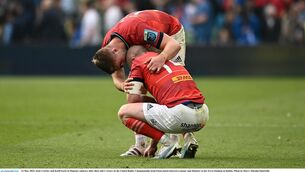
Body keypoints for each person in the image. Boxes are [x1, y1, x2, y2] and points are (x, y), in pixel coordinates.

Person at [92, 45, 209, 159]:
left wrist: (147, 97)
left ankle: (168, 143)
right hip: (203, 115)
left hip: (180, 115)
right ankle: (189, 140)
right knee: (170, 104)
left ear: (132, 59)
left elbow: (133, 101)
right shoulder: (168, 60)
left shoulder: (137, 62)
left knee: (124, 112)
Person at [99, 9, 189, 157]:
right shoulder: (107, 46)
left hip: (171, 32)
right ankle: (140, 145)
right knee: (133, 94)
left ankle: (183, 137)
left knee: (169, 86)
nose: (122, 66)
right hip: (145, 41)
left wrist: (162, 56)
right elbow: (117, 77)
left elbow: (173, 45)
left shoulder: (136, 30)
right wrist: (123, 85)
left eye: (121, 63)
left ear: (115, 51)